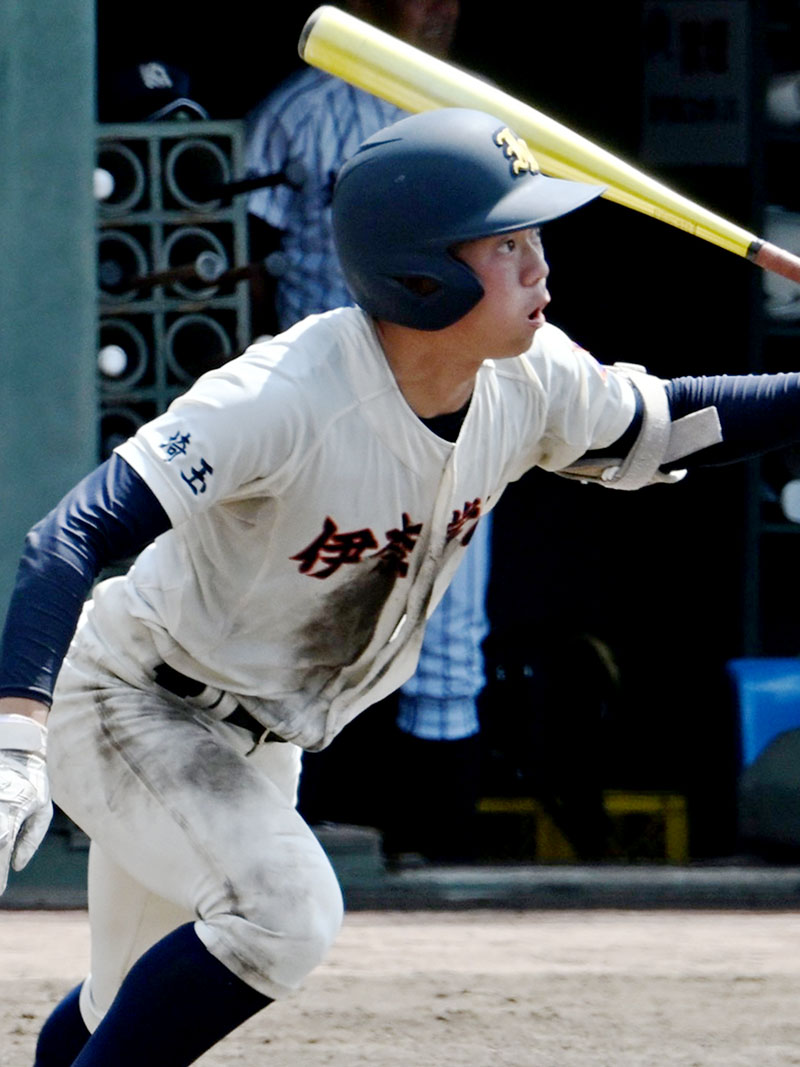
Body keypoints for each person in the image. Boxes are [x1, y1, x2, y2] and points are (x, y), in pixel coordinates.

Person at [2, 106, 800, 1066]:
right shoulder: (283, 394)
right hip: (133, 701)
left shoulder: (528, 377)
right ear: (422, 276)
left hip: (258, 737)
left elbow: (666, 424)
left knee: (119, 1002)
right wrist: (17, 741)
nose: (540, 266)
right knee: (283, 913)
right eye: (506, 243)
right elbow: (70, 536)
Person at [244, 0, 489, 869]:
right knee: (307, 611)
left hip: (450, 400)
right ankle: (293, 844)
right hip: (327, 401)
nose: (441, 6)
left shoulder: (478, 116)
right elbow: (245, 263)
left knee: (449, 625)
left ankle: (440, 854)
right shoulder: (295, 114)